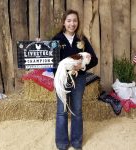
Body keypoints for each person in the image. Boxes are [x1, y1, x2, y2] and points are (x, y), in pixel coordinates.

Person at [52, 9, 98, 150]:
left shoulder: (82, 39)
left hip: (79, 80)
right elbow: (53, 63)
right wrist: (61, 75)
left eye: (75, 21)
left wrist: (81, 67)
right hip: (63, 79)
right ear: (64, 22)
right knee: (62, 110)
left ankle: (77, 142)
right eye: (69, 20)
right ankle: (62, 143)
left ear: (78, 23)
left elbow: (94, 60)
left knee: (77, 110)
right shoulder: (56, 40)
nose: (72, 23)